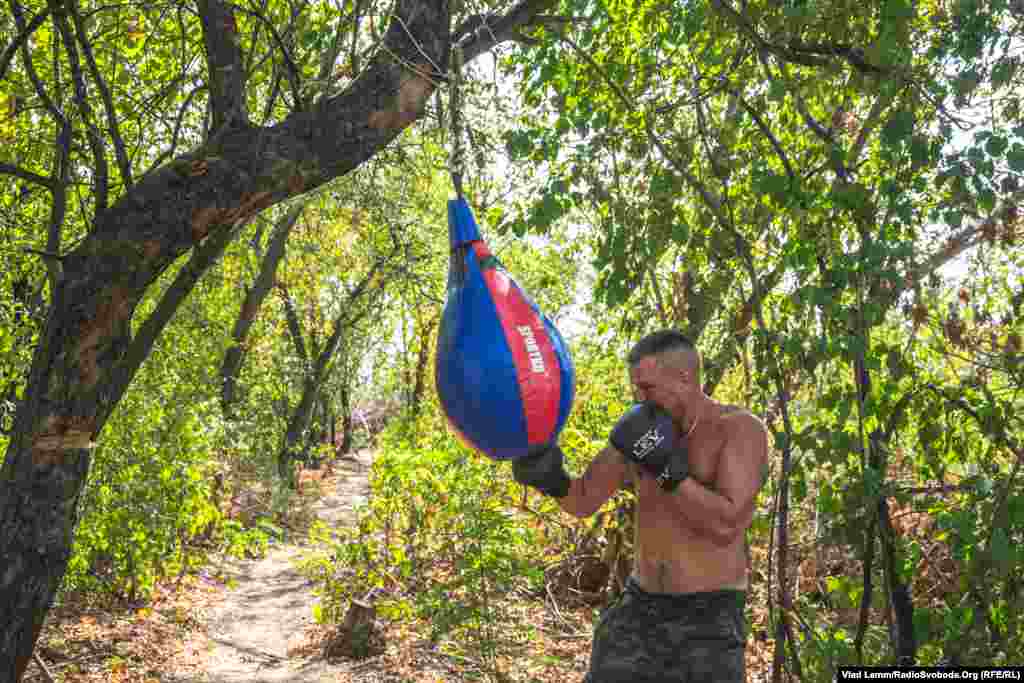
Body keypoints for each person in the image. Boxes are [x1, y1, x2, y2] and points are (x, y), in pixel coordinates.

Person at [513, 329, 769, 683]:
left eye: (647, 387)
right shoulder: (641, 429)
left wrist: (668, 473)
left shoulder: (738, 430)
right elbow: (583, 498)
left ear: (683, 378)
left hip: (708, 617)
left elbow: (728, 523)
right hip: (640, 605)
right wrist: (548, 477)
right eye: (635, 386)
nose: (638, 396)